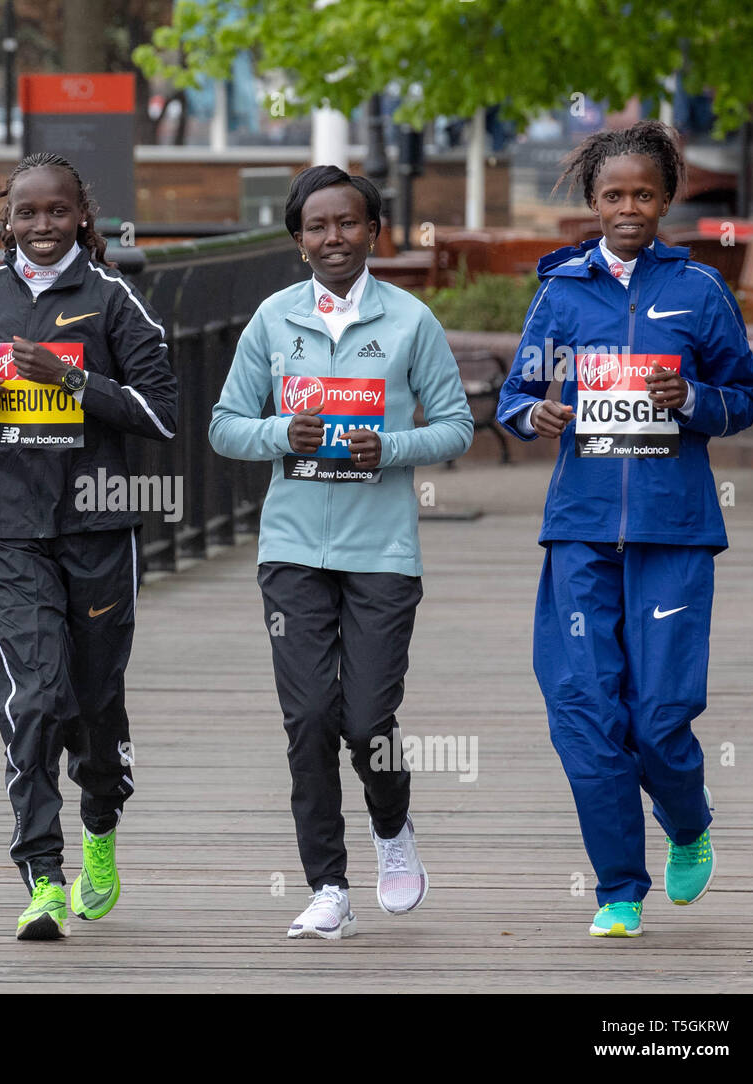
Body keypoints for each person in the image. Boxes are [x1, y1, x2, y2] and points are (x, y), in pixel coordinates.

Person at [496, 120, 753, 937]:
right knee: (582, 707)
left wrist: (698, 405)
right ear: (593, 201)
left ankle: (687, 820)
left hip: (674, 531)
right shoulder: (561, 292)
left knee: (657, 714)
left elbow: (742, 395)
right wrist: (530, 412)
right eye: (614, 195)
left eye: (644, 194)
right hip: (579, 531)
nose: (629, 208)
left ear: (666, 199)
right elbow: (516, 394)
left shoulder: (700, 292)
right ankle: (617, 887)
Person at [210, 165, 473, 939]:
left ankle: (392, 830)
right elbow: (226, 424)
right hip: (292, 548)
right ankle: (328, 885)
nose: (334, 238)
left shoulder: (410, 321)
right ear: (298, 242)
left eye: (349, 223)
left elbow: (455, 426)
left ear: (373, 232)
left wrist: (387, 448)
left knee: (366, 719)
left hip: (382, 551)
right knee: (310, 717)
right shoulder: (271, 319)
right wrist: (273, 434)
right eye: (318, 227)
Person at [0, 152, 177, 940]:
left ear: (81, 218)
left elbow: (163, 412)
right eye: (26, 214)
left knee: (95, 700)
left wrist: (74, 384)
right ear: (7, 218)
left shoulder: (112, 302)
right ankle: (41, 873)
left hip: (99, 527)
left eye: (56, 213)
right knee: (33, 697)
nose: (41, 227)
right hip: (12, 530)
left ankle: (99, 821)